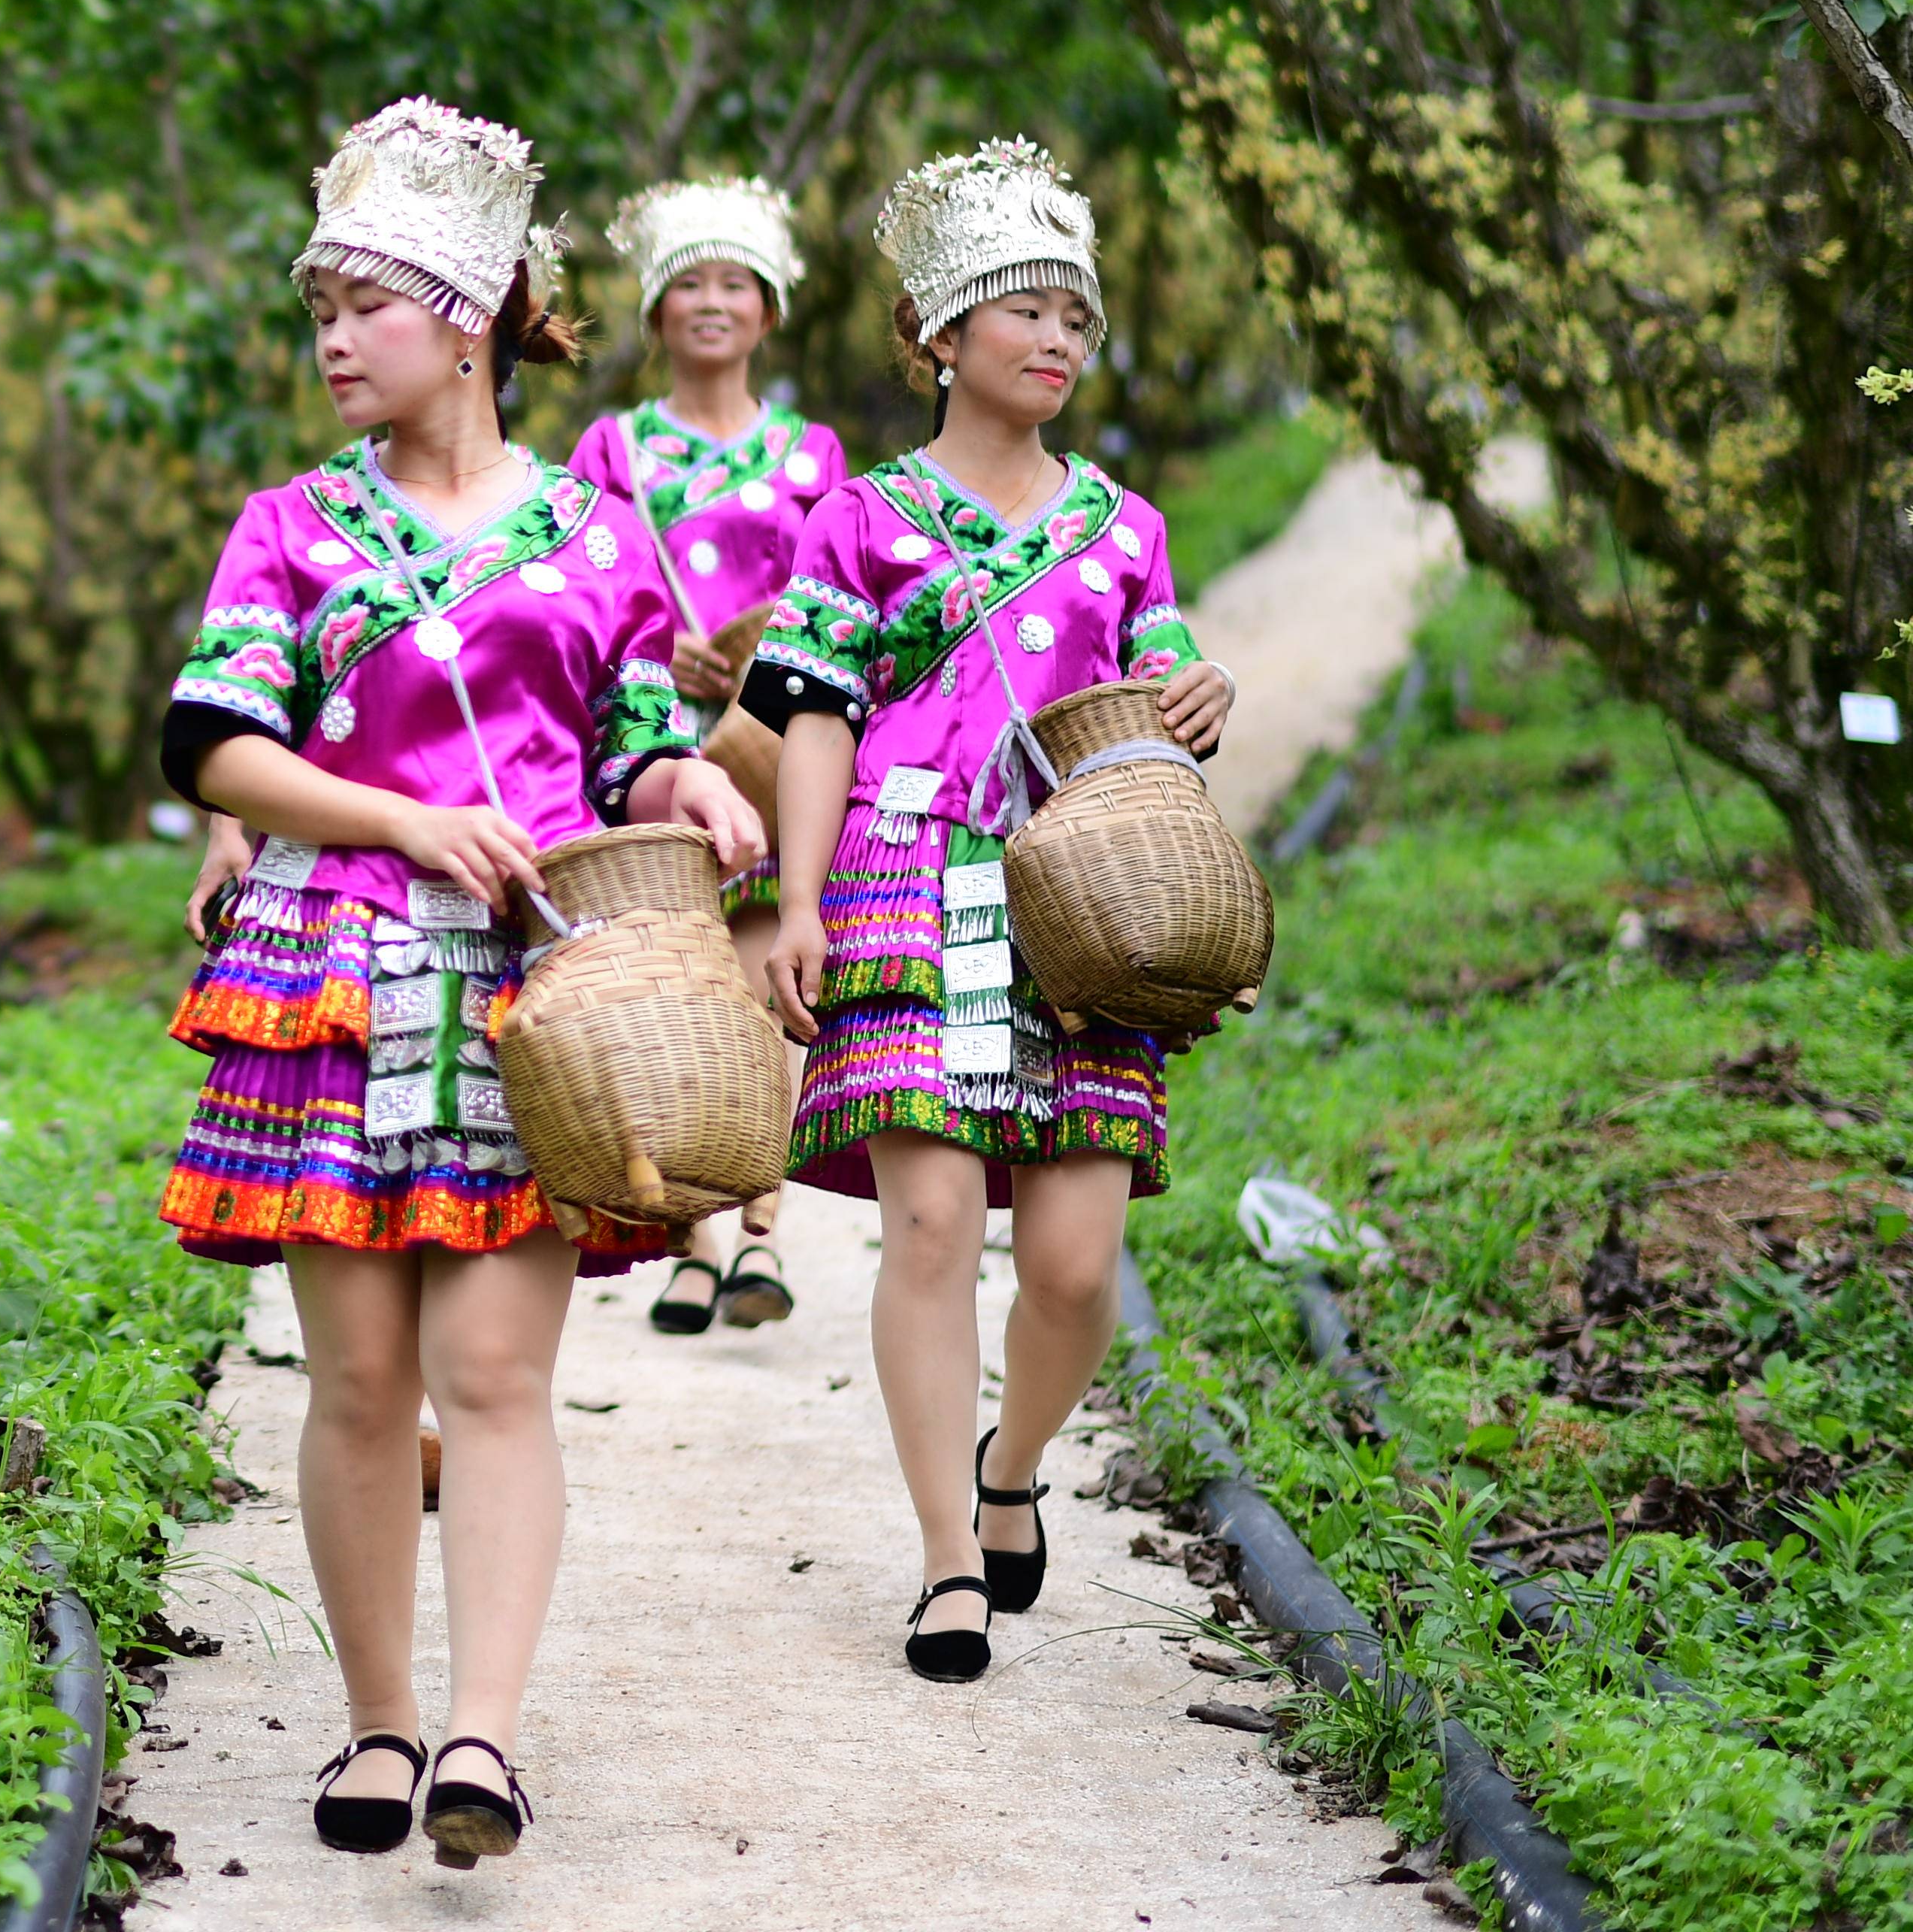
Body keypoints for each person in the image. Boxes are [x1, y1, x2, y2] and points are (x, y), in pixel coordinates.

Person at [155, 98, 766, 1867]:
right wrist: (406, 820)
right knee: (355, 1383)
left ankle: (483, 1733)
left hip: (533, 992)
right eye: (319, 308)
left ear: (473, 309)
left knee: (495, 1375)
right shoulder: (288, 524)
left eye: (366, 302)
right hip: (334, 970)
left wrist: (699, 783)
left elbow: (636, 741)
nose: (335, 338)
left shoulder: (594, 531)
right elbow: (215, 742)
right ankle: (377, 1722)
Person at [734, 140, 1238, 1682]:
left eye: (1076, 318)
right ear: (939, 333)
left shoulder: (1124, 525)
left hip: (1083, 901)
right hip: (905, 875)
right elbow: (812, 715)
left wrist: (1195, 696)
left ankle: (1010, 1463)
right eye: (1025, 309)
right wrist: (797, 898)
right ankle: (947, 1561)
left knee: (1080, 1258)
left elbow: (1141, 711)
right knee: (935, 1217)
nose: (1058, 339)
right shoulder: (861, 519)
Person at [568, 177, 844, 1337]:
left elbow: (845, 595)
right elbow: (581, 585)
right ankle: (693, 1237)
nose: (712, 302)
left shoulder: (810, 454)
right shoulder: (614, 448)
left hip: (770, 745)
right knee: (674, 982)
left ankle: (758, 1226)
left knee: (754, 980)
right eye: (689, 283)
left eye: (735, 282)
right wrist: (660, 651)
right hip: (659, 743)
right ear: (656, 313)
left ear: (770, 310)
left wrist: (764, 659)